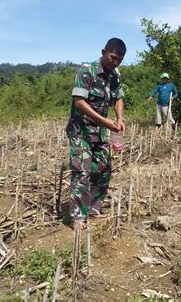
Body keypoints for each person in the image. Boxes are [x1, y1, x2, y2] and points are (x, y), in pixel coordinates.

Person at [65, 38, 126, 230]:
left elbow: (118, 97)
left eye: (119, 60)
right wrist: (106, 122)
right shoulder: (87, 71)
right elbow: (79, 102)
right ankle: (77, 217)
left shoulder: (115, 75)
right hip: (80, 130)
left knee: (103, 168)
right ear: (103, 52)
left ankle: (92, 208)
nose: (114, 62)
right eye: (112, 57)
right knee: (81, 171)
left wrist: (119, 117)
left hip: (99, 132)